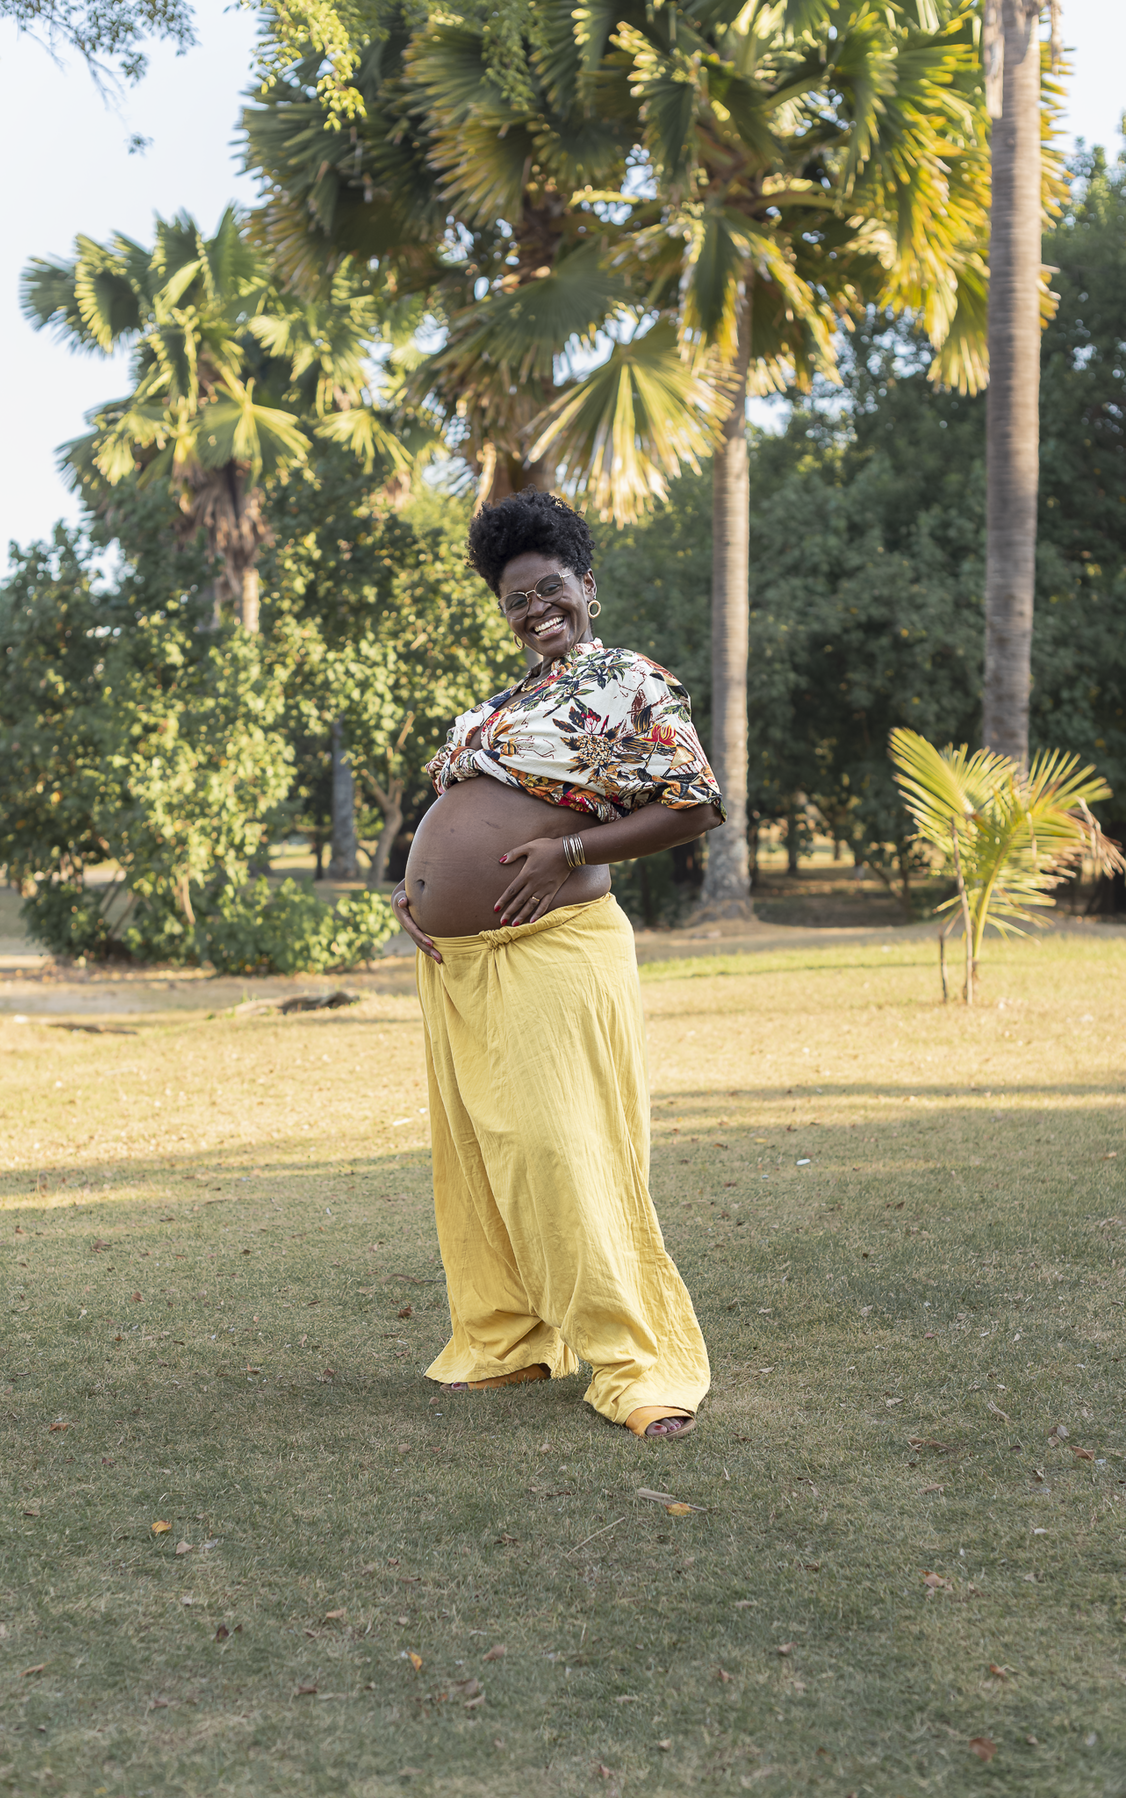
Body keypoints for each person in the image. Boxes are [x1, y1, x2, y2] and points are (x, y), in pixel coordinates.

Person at [390, 489, 722, 1441]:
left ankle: (637, 1364)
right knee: (481, 1158)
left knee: (558, 1148)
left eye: (548, 589)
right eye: (514, 601)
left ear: (587, 585)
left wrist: (572, 854)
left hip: (553, 946)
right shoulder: (506, 703)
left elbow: (694, 804)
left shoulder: (627, 681)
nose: (534, 611)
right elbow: (461, 818)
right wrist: (414, 890)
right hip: (462, 960)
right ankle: (510, 1338)